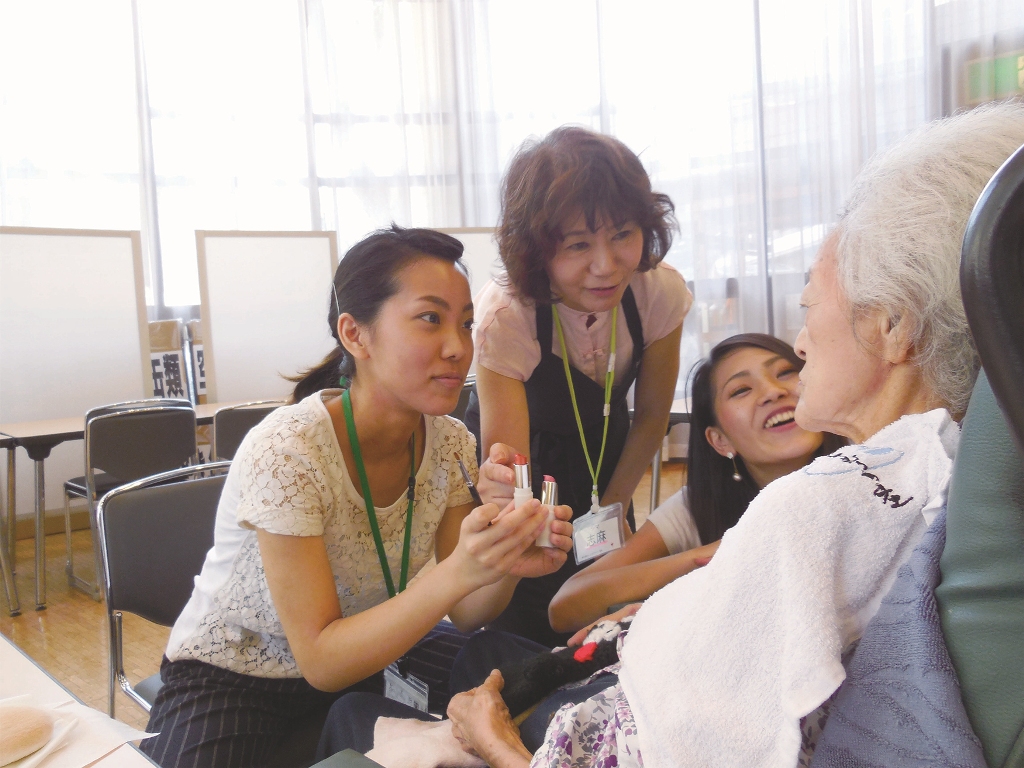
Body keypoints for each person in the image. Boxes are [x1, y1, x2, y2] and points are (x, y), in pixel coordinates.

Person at [441, 101, 1024, 768]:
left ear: (896, 326)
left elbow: (687, 738)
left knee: (413, 702)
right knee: (498, 638)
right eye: (578, 246)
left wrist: (495, 741)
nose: (797, 350)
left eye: (805, 312)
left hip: (576, 716)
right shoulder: (949, 468)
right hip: (542, 496)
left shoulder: (807, 512)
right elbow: (510, 470)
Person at [140, 226, 573, 768]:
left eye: (466, 323)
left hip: (374, 649)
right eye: (430, 318)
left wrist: (505, 557)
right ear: (356, 334)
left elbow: (466, 611)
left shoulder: (449, 444)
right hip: (237, 673)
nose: (458, 347)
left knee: (525, 682)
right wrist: (460, 569)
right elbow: (319, 658)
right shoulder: (290, 450)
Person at [467, 125, 692, 646]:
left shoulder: (658, 293)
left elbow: (653, 416)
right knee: (526, 624)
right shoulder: (508, 315)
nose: (605, 265)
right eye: (577, 245)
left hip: (609, 459)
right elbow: (509, 465)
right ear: (537, 250)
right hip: (524, 475)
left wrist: (611, 511)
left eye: (622, 235)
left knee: (609, 621)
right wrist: (531, 530)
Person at [547, 333, 847, 635]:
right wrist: (711, 556)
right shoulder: (697, 508)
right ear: (719, 440)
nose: (772, 391)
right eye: (741, 390)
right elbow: (566, 607)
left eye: (785, 372)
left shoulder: (872, 479)